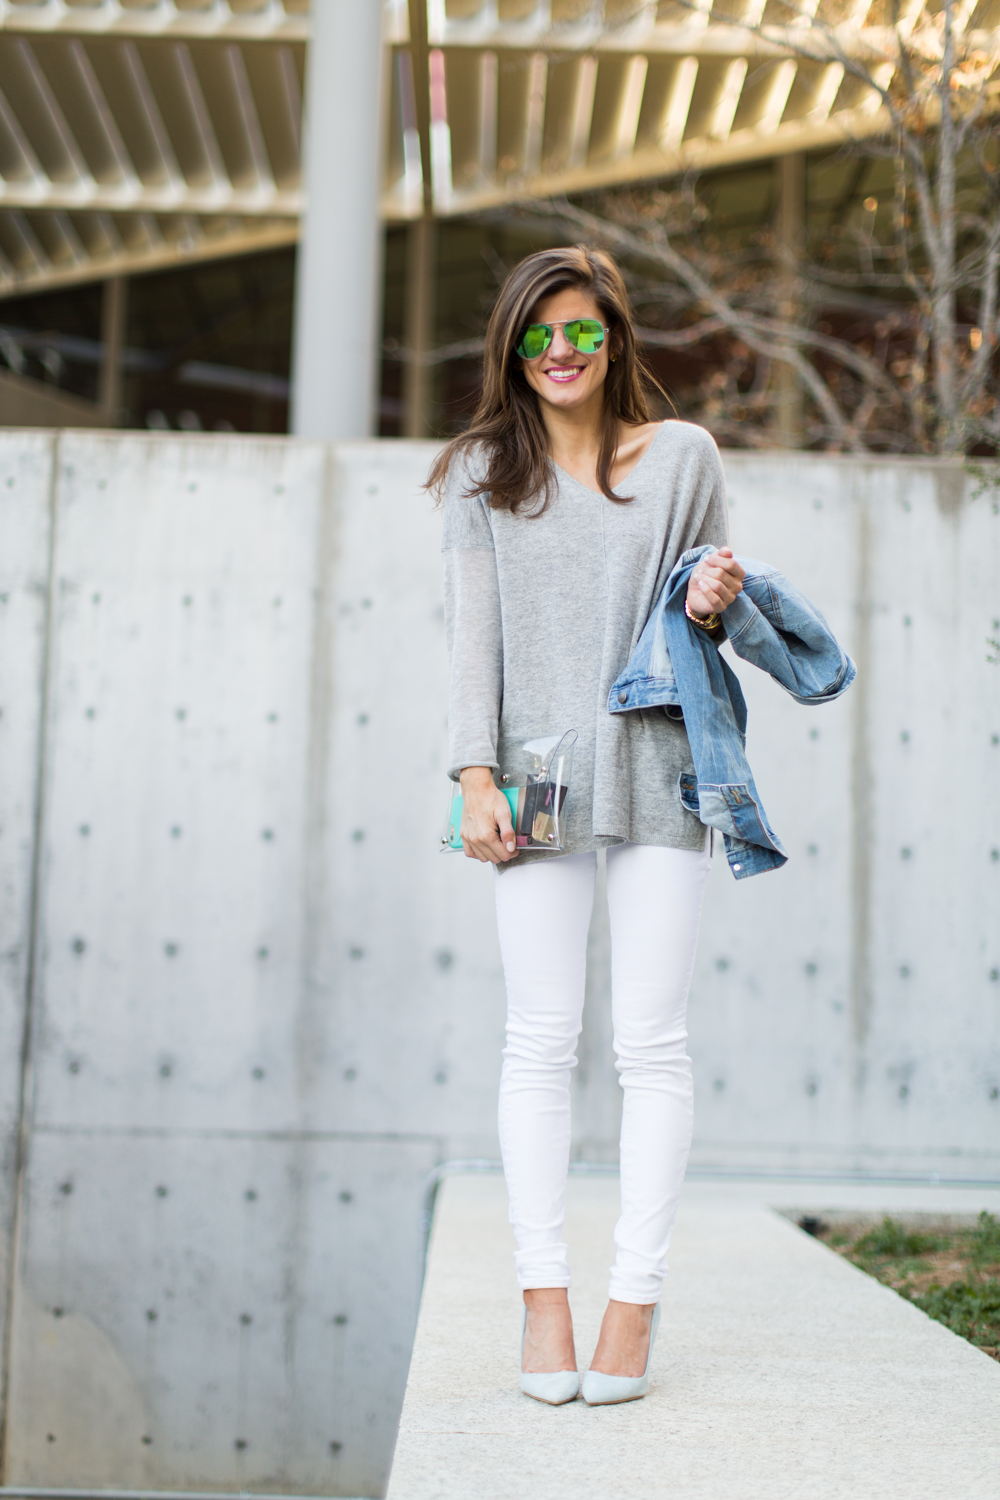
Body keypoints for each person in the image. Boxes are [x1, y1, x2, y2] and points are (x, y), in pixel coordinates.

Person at [429, 245, 746, 1406]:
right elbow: (475, 642)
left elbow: (703, 609)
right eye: (535, 336)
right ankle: (542, 1299)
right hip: (534, 781)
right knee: (539, 1038)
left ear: (614, 340)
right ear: (511, 349)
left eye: (580, 333)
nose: (557, 354)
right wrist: (473, 777)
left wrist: (716, 595)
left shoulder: (683, 459)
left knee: (650, 1042)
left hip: (660, 760)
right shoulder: (482, 474)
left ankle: (632, 1306)